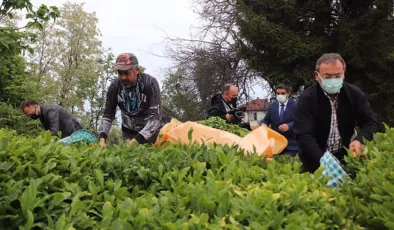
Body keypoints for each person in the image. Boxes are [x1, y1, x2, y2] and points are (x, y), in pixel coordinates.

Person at [293, 53, 379, 172]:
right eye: (327, 77)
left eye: (337, 76)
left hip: (345, 157)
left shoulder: (354, 94)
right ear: (317, 76)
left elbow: (370, 121)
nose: (333, 80)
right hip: (314, 160)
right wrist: (323, 161)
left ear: (344, 74)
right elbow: (303, 135)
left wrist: (359, 139)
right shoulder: (307, 99)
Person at [99, 53, 162, 147]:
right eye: (120, 73)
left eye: (127, 73)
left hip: (151, 134)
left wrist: (136, 141)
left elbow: (155, 119)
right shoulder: (115, 86)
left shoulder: (150, 83)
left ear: (137, 70)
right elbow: (108, 116)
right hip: (128, 133)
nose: (123, 77)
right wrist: (102, 139)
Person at [261, 84, 298, 156]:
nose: (280, 95)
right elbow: (266, 120)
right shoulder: (272, 106)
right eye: (278, 93)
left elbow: (300, 120)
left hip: (291, 144)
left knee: (288, 165)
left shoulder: (295, 105)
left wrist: (289, 126)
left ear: (288, 94)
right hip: (276, 144)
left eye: (283, 93)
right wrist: (263, 124)